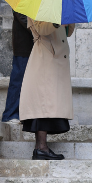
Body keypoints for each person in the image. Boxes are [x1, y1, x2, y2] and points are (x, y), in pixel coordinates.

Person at [18, 18, 73, 160]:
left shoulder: (56, 5)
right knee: (43, 105)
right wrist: (57, 21)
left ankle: (41, 148)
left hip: (55, 60)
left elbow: (68, 32)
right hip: (45, 58)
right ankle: (41, 148)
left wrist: (70, 17)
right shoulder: (38, 4)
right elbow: (42, 29)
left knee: (47, 104)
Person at [2, 11, 32, 123]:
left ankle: (25, 115)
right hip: (24, 45)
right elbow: (23, 17)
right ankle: (10, 115)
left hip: (38, 46)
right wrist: (39, 31)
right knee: (18, 79)